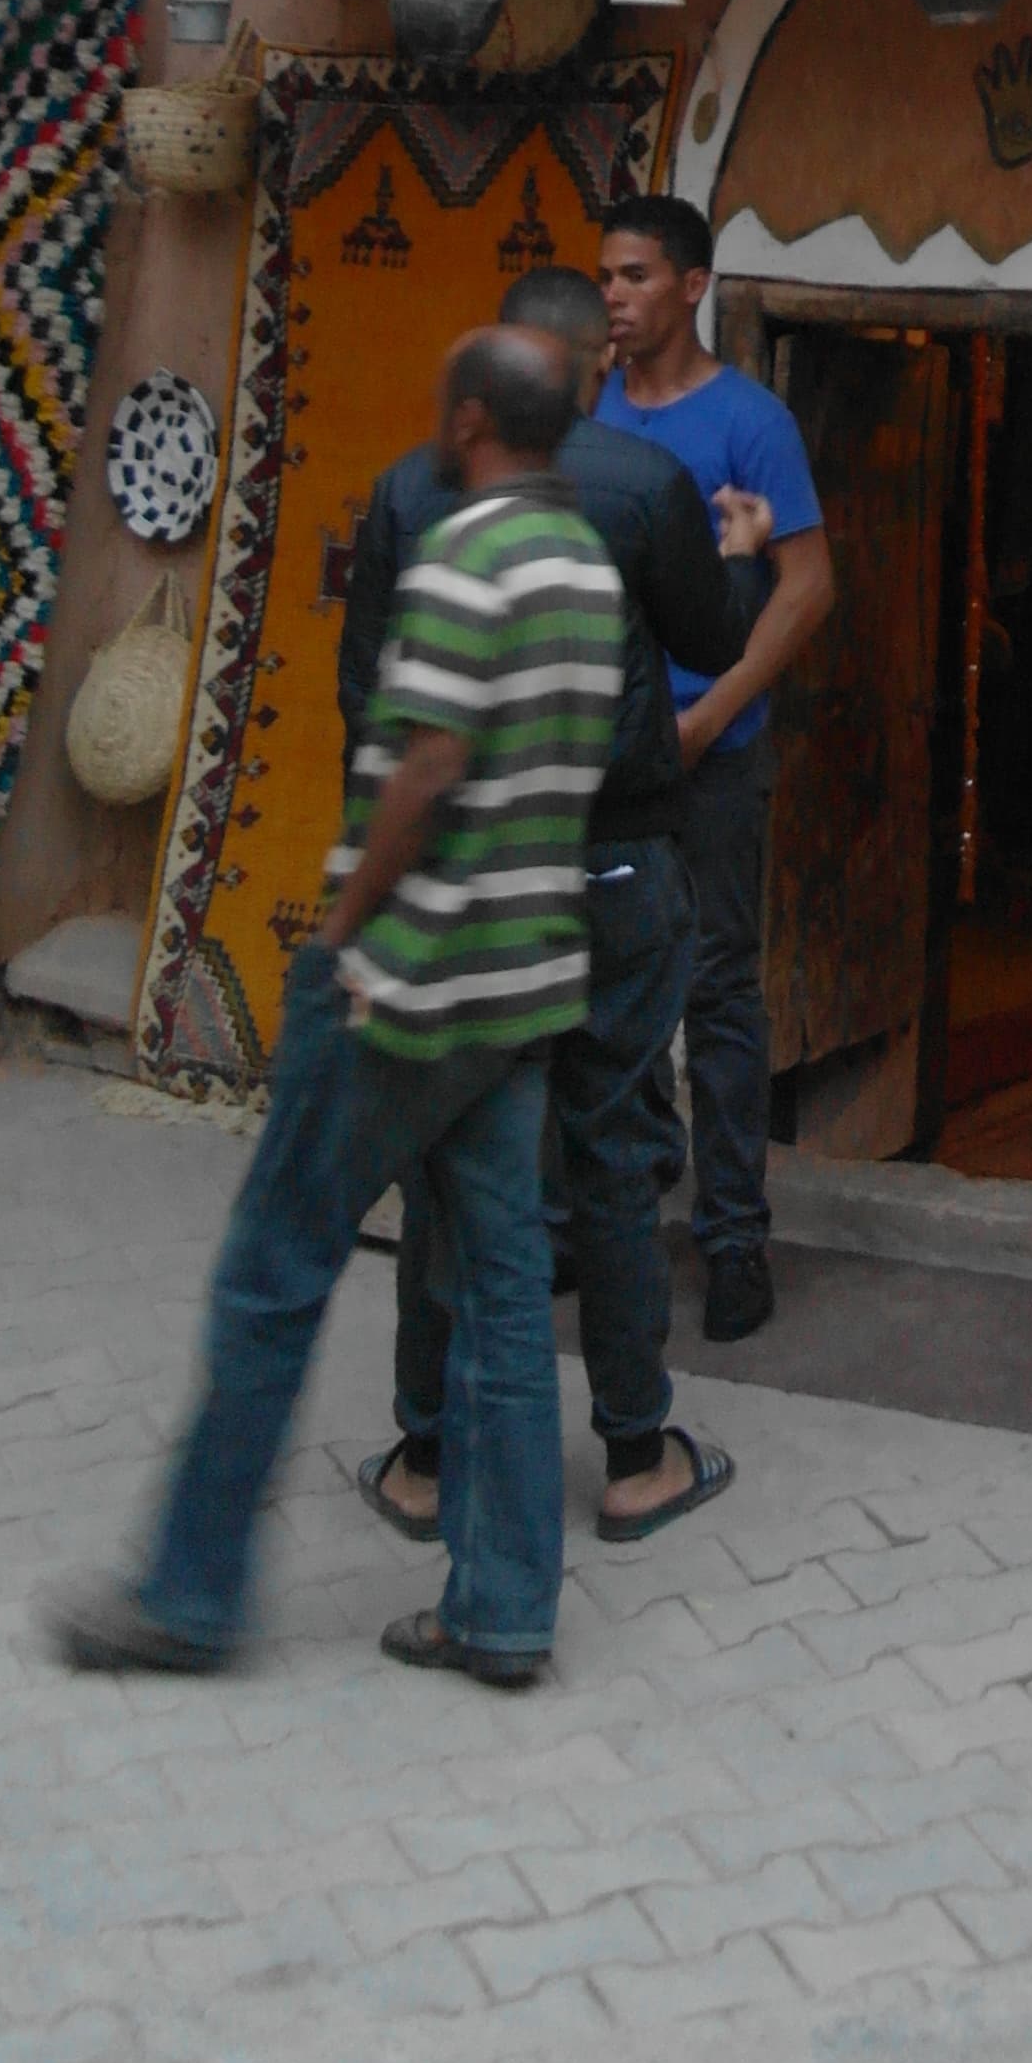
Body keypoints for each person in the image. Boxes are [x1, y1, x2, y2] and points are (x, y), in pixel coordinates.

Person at [41, 331, 620, 1688]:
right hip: (526, 981)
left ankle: (187, 1596)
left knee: (271, 1275)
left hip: (408, 984)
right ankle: (502, 1611)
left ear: (470, 418)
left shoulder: (466, 558)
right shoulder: (587, 569)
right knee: (501, 1299)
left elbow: (428, 760)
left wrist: (344, 930)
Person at [341, 266, 752, 1547]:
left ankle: (425, 1454)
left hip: (471, 876)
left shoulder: (414, 492)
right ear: (589, 360)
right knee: (618, 1147)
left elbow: (373, 695)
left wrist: (364, 904)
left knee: (451, 1161)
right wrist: (734, 556)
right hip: (616, 863)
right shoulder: (640, 485)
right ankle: (635, 1453)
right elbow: (703, 635)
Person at [595, 193, 833, 1342]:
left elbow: (806, 586)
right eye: (605, 277)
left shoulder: (748, 422)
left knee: (719, 992)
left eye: (634, 275)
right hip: (603, 760)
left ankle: (734, 1239)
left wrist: (708, 719)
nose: (615, 295)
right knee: (606, 989)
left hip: (712, 757)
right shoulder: (584, 409)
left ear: (692, 285)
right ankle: (620, 1219)